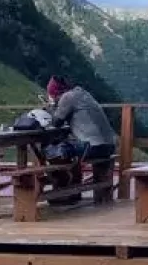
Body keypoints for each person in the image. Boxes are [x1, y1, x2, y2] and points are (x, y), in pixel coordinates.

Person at [46, 76, 118, 204]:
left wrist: (52, 106)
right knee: (69, 150)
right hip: (109, 144)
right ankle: (73, 192)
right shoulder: (83, 94)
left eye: (52, 94)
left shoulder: (67, 97)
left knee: (54, 151)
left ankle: (64, 192)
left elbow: (56, 122)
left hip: (93, 146)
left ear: (56, 93)